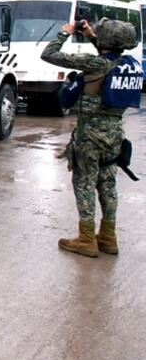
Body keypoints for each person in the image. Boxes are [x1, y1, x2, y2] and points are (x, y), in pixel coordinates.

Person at [41, 18, 141, 257]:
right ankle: (108, 236)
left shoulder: (93, 63)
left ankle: (86, 238)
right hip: (115, 135)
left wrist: (64, 33)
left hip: (90, 136)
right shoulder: (130, 64)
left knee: (84, 183)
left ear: (105, 40)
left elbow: (49, 54)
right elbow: (107, 57)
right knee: (108, 184)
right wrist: (91, 36)